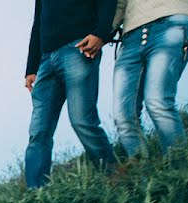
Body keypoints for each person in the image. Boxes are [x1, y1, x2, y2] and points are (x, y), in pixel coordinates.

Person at [24, 0, 118, 188]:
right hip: (46, 59)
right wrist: (31, 68)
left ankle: (116, 178)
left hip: (77, 47)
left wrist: (101, 33)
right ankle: (36, 197)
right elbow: (38, 22)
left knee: (82, 120)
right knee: (38, 132)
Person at [112, 0, 188, 157]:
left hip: (170, 20)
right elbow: (120, 4)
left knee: (158, 102)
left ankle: (181, 171)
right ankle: (141, 173)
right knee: (123, 114)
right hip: (131, 35)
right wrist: (100, 33)